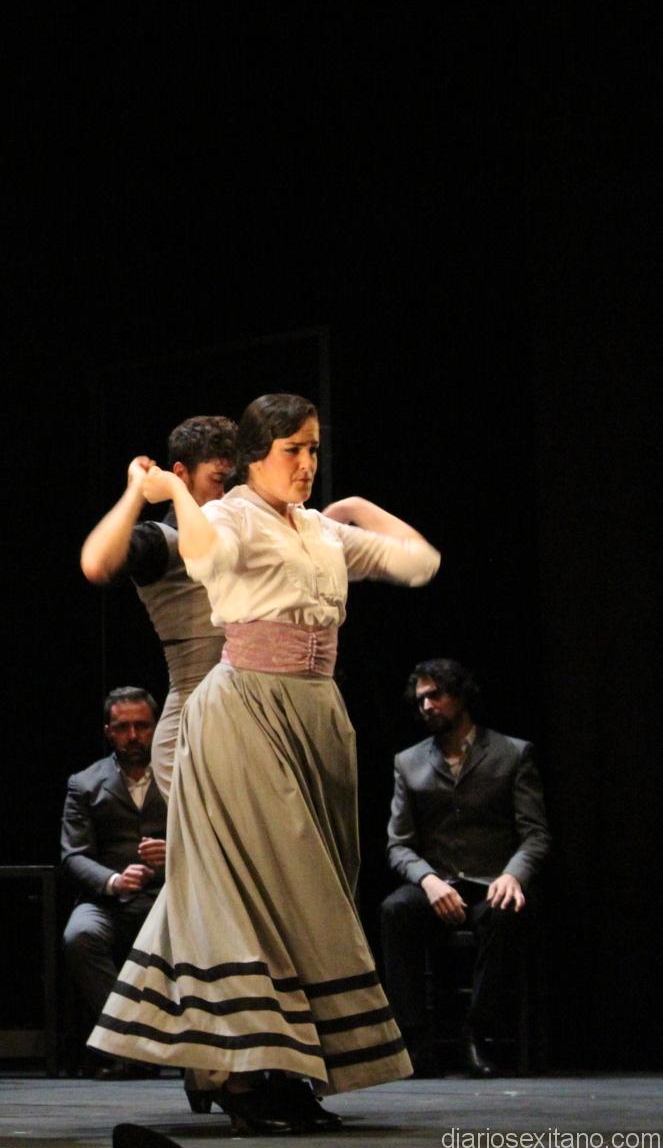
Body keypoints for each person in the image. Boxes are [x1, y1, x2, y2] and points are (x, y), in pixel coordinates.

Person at [87, 393, 440, 1133]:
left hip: (316, 714)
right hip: (241, 711)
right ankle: (241, 1072)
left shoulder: (316, 530)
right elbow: (196, 557)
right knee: (252, 889)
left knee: (312, 891)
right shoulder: (221, 517)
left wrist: (361, 507)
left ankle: (286, 1065)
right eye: (292, 451)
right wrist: (169, 493)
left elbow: (418, 564)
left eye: (314, 449)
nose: (307, 464)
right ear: (253, 459)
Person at [380, 658, 550, 1078]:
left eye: (435, 695)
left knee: (505, 912)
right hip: (437, 883)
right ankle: (417, 1043)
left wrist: (514, 875)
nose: (426, 706)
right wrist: (429, 881)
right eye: (420, 699)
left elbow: (536, 834)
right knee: (394, 910)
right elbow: (398, 845)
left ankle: (477, 1034)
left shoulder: (512, 753)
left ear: (460, 695)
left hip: (490, 880)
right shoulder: (409, 762)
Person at [79, 417, 237, 797]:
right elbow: (97, 563)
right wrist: (136, 491)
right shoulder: (161, 542)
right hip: (196, 724)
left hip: (243, 714)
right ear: (180, 475)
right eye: (217, 480)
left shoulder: (238, 532)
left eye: (233, 483)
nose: (226, 493)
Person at [60, 687, 168, 1081]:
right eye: (124, 727)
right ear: (109, 731)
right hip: (109, 899)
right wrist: (114, 881)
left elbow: (213, 835)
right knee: (80, 936)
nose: (134, 735)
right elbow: (73, 855)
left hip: (169, 894)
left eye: (142, 726)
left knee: (206, 931)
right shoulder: (85, 783)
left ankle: (194, 1051)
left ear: (157, 727)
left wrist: (174, 854)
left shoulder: (180, 775)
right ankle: (130, 1042)